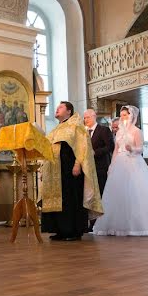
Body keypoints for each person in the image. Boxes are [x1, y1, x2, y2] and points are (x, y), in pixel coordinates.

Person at [92, 106, 148, 237]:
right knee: (117, 194)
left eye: (126, 115)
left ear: (132, 116)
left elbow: (140, 149)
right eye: (122, 115)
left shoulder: (136, 131)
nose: (124, 117)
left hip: (133, 162)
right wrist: (111, 165)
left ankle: (138, 225)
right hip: (119, 162)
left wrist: (132, 149)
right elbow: (115, 150)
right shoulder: (119, 132)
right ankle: (118, 225)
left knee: (135, 192)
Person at [40, 101, 103, 241]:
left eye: (60, 107)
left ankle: (74, 231)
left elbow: (82, 146)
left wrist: (77, 164)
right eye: (57, 107)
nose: (57, 109)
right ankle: (60, 230)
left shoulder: (76, 125)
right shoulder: (56, 129)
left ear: (69, 111)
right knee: (61, 201)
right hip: (56, 171)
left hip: (70, 169)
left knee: (71, 199)